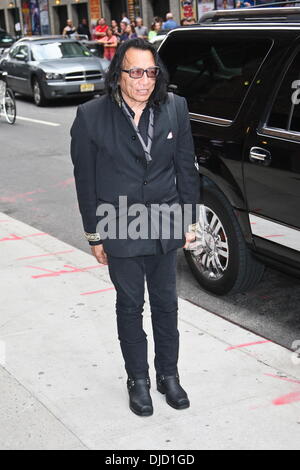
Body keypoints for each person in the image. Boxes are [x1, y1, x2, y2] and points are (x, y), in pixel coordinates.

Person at [70, 38, 200, 417]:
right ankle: (138, 380)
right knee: (130, 306)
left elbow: (186, 169)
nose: (144, 80)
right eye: (134, 72)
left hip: (165, 222)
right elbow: (86, 180)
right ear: (118, 74)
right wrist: (94, 233)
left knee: (166, 305)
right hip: (119, 224)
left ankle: (168, 376)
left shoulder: (176, 108)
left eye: (150, 72)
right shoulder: (91, 115)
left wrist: (188, 221)